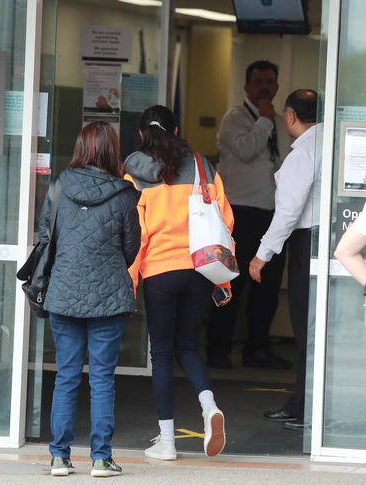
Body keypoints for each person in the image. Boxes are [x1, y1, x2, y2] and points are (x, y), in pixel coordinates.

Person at [125, 105, 232, 461]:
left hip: (159, 271)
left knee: (162, 353)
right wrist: (224, 277)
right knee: (187, 347)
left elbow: (135, 235)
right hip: (199, 269)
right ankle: (208, 405)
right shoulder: (203, 166)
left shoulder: (135, 172)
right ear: (175, 130)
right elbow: (225, 221)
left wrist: (131, 281)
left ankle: (167, 441)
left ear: (142, 135)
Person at [40, 121, 140, 477]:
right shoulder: (125, 194)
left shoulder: (58, 186)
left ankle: (59, 456)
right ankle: (101, 457)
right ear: (113, 151)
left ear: (81, 148)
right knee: (101, 377)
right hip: (108, 297)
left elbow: (45, 237)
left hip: (63, 292)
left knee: (66, 375)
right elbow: (131, 249)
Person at [208, 60, 293, 370]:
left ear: (277, 86)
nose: (264, 88)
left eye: (270, 82)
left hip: (272, 215)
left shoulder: (281, 123)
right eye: (258, 82)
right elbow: (245, 151)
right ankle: (217, 348)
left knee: (266, 289)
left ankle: (257, 349)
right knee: (231, 282)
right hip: (239, 214)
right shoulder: (236, 119)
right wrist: (266, 121)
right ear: (247, 87)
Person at [248, 90, 320, 432]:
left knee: (307, 331)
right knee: (317, 332)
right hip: (325, 242)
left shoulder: (303, 153)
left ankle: (304, 408)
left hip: (307, 245)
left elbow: (288, 212)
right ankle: (305, 404)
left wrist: (262, 256)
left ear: (290, 116)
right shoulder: (328, 145)